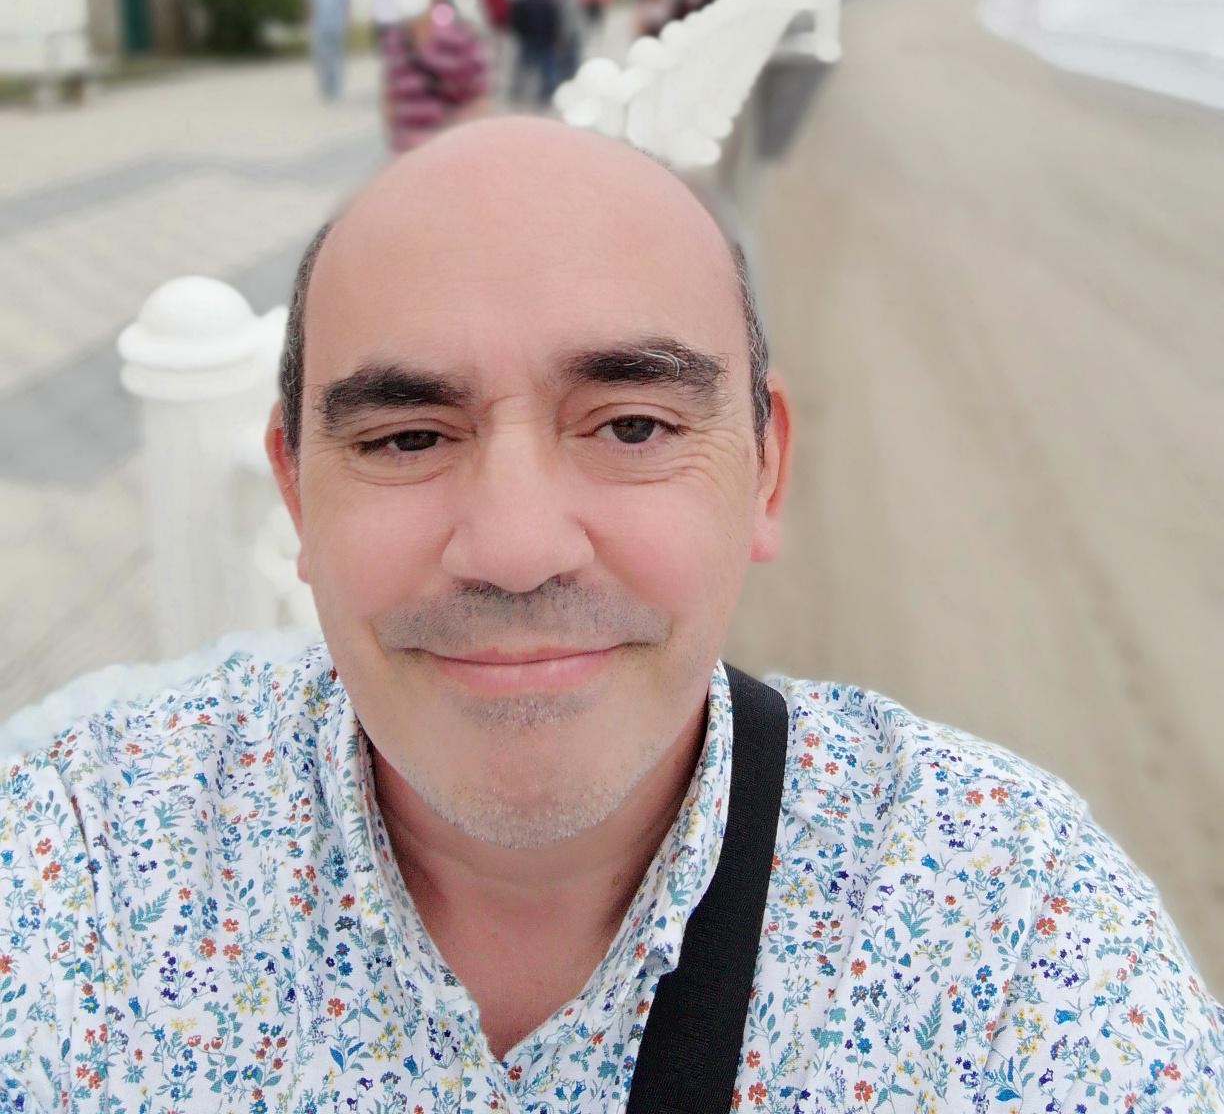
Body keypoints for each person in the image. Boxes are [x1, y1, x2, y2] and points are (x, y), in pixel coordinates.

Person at [2, 119, 1222, 1110]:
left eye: (632, 425)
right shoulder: (80, 871)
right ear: (295, 497)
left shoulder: (1006, 921)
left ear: (765, 469)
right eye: (409, 437)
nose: (516, 549)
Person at [380, 0, 490, 152]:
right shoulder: (394, 39)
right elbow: (390, 90)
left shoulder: (460, 38)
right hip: (406, 144)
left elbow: (479, 96)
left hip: (446, 143)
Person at [508, 0, 563, 105]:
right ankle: (546, 94)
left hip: (528, 38)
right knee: (547, 70)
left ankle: (517, 91)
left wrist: (521, 33)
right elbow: (555, 21)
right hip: (545, 39)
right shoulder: (550, 0)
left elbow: (516, 19)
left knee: (523, 67)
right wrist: (555, 38)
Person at [307, 0, 350, 99]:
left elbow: (346, 8)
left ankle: (334, 88)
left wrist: (347, 26)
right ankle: (324, 87)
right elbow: (311, 7)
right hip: (320, 28)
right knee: (321, 59)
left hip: (336, 28)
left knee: (336, 59)